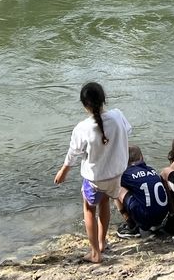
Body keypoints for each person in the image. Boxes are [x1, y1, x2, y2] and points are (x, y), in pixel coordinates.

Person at [53, 81, 131, 263]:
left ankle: (95, 252)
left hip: (95, 178)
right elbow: (128, 130)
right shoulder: (118, 115)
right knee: (104, 203)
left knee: (89, 208)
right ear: (104, 99)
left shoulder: (83, 127)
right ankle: (102, 242)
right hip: (115, 175)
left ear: (84, 105)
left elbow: (74, 152)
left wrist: (64, 170)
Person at [115, 145, 170, 238]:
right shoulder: (152, 170)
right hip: (162, 215)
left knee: (116, 187)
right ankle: (155, 223)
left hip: (145, 216)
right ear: (142, 157)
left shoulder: (126, 174)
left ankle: (131, 226)